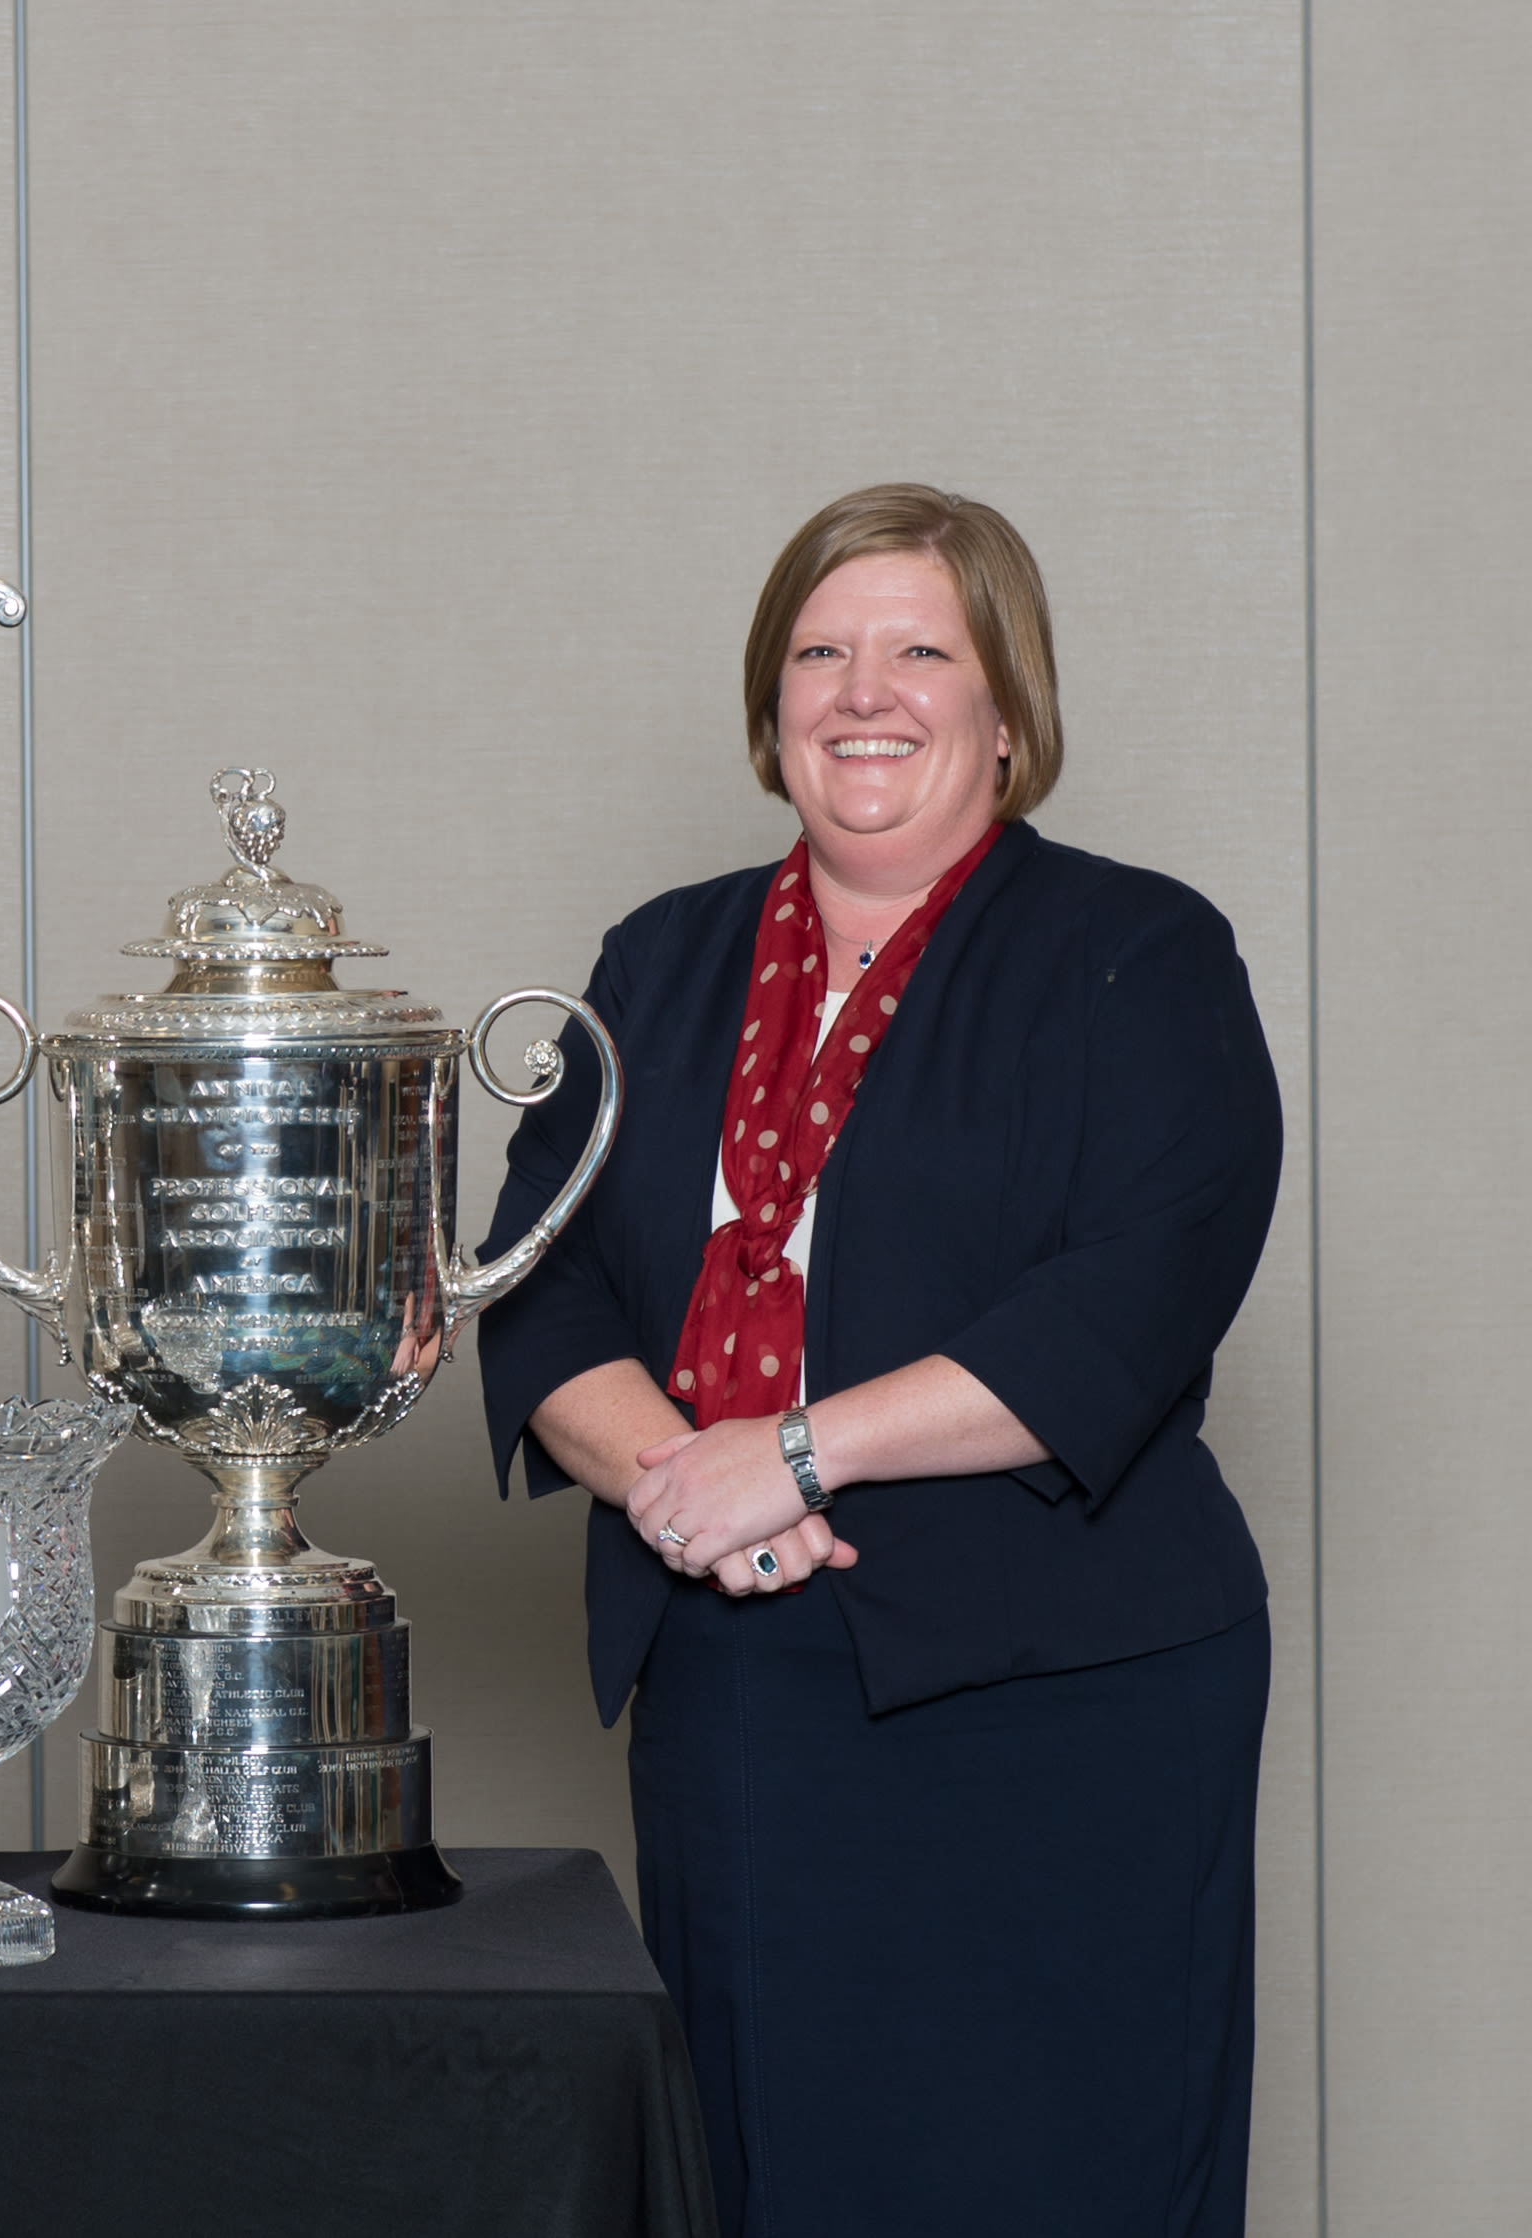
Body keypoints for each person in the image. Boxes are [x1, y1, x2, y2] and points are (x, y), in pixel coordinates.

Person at [476, 484, 1281, 2237]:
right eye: (820, 652)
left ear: (1007, 714)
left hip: (1064, 1693)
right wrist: (681, 1484)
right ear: (768, 709)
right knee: (774, 2174)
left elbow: (1125, 1304)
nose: (864, 690)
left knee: (1052, 2175)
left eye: (922, 649)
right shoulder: (657, 958)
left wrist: (798, 1451)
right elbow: (536, 1286)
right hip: (738, 1678)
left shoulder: (1138, 954)